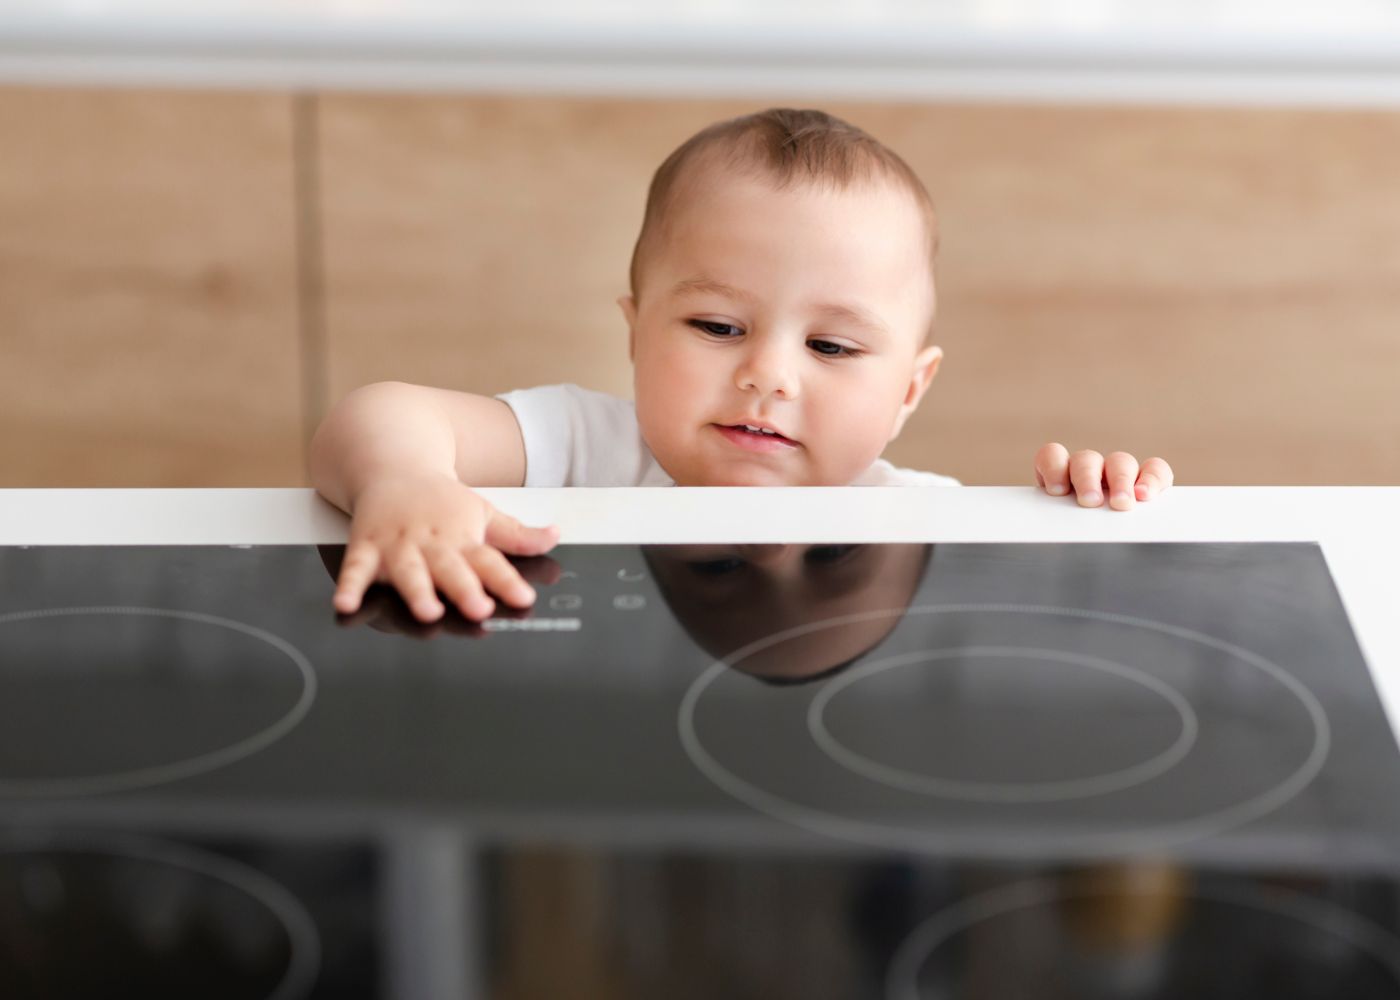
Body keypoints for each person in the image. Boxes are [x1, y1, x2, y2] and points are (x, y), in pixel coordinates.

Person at [309, 108, 1174, 624]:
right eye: (718, 325)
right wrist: (405, 480)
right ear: (637, 332)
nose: (769, 375)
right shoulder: (586, 446)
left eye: (831, 346)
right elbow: (376, 416)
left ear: (909, 390)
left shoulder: (916, 524)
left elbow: (1074, 606)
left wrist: (1089, 510)